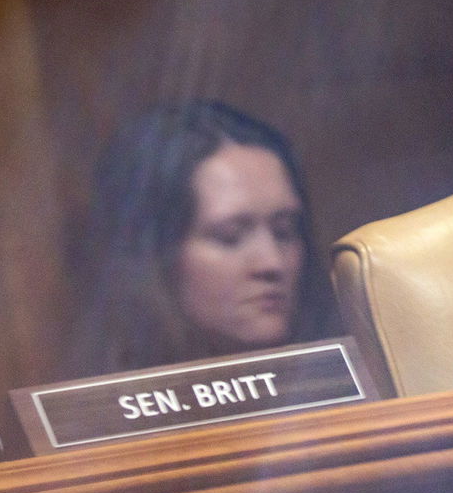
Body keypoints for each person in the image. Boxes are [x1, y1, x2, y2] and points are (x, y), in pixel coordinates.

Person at [63, 100, 329, 377]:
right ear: (154, 255)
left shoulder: (344, 380)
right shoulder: (100, 406)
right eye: (230, 237)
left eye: (284, 232)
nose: (272, 263)